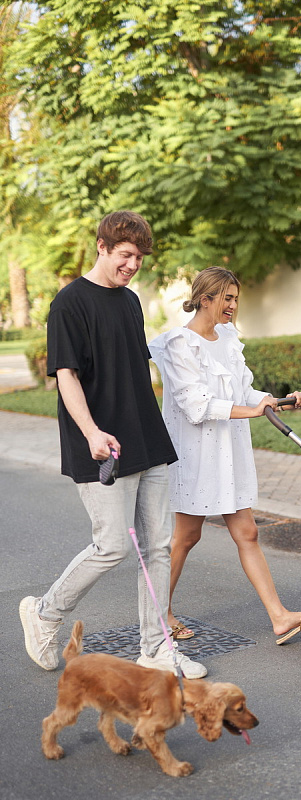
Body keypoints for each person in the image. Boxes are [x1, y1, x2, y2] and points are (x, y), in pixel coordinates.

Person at [19, 211, 207, 679]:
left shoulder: (130, 301)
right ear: (101, 246)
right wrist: (91, 432)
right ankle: (44, 612)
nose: (133, 265)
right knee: (112, 546)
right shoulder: (69, 304)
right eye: (125, 254)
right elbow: (66, 376)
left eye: (139, 257)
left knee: (158, 547)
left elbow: (133, 371)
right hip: (100, 444)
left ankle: (155, 648)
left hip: (146, 439)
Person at [149, 267, 301, 645]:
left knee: (247, 531)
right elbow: (196, 405)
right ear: (205, 299)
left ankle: (279, 618)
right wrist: (252, 410)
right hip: (195, 455)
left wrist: (277, 401)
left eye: (236, 299)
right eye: (227, 298)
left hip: (228, 451)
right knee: (186, 536)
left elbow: (246, 390)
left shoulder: (227, 339)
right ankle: (157, 614)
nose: (233, 306)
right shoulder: (180, 344)